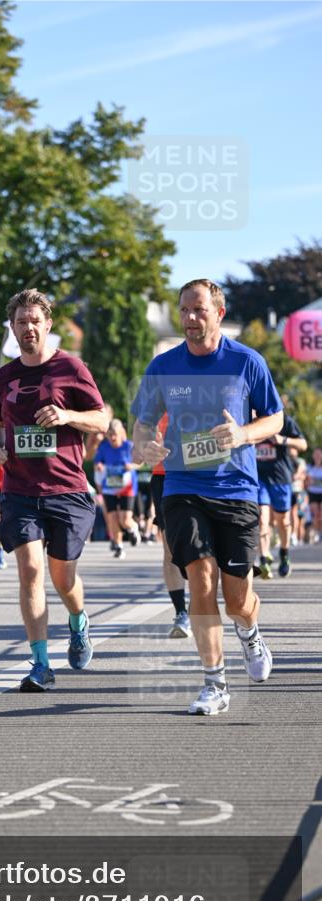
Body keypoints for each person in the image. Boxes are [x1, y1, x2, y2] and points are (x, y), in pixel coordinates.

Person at [132, 278, 283, 716]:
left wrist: (242, 434)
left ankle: (250, 632)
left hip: (236, 488)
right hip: (183, 485)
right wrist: (145, 448)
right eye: (183, 311)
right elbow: (142, 426)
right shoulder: (163, 367)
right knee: (199, 578)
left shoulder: (246, 362)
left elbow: (274, 418)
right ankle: (214, 683)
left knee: (237, 600)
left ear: (218, 313)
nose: (190, 319)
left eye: (198, 310)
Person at [0, 288, 108, 691]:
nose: (28, 328)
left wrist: (66, 414)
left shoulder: (70, 369)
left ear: (48, 325)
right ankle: (40, 663)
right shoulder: (1, 378)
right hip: (20, 490)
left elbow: (101, 421)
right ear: (13, 327)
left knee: (63, 578)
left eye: (35, 321)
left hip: (66, 488)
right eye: (21, 322)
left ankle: (78, 622)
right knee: (30, 571)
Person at [149, 414, 191, 638]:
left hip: (197, 475)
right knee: (170, 550)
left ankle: (200, 602)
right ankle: (181, 612)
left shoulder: (204, 389)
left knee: (198, 549)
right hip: (163, 476)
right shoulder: (156, 392)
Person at [254, 411, 306, 578]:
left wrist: (283, 440)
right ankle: (263, 559)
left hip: (280, 479)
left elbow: (303, 444)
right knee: (262, 519)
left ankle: (284, 553)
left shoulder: (283, 420)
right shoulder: (249, 421)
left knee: (282, 521)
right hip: (258, 478)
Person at [93, 418, 140, 559]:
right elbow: (97, 463)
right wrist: (99, 466)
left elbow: (140, 463)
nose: (112, 437)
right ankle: (119, 546)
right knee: (112, 518)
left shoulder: (129, 446)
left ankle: (133, 528)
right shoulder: (104, 447)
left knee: (124, 519)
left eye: (115, 434)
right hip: (109, 487)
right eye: (110, 434)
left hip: (127, 487)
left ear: (121, 433)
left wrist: (131, 466)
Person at [305, 448, 322, 543]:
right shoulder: (309, 467)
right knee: (315, 515)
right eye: (315, 454)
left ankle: (321, 532)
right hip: (313, 493)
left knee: (321, 516)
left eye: (319, 454)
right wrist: (308, 481)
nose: (317, 456)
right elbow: (305, 482)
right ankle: (317, 534)